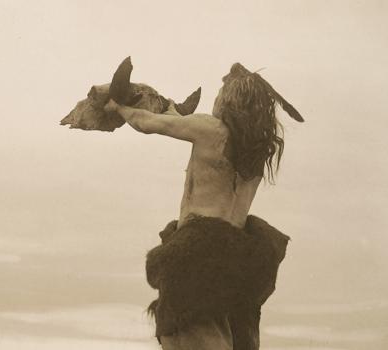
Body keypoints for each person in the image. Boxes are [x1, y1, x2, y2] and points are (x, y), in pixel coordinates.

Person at [104, 62, 303, 350]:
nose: (217, 98)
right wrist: (171, 107)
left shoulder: (212, 129)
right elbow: (173, 119)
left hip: (199, 252)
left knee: (181, 332)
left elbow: (144, 123)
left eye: (221, 92)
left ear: (230, 100)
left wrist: (117, 106)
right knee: (223, 334)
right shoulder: (257, 152)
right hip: (235, 257)